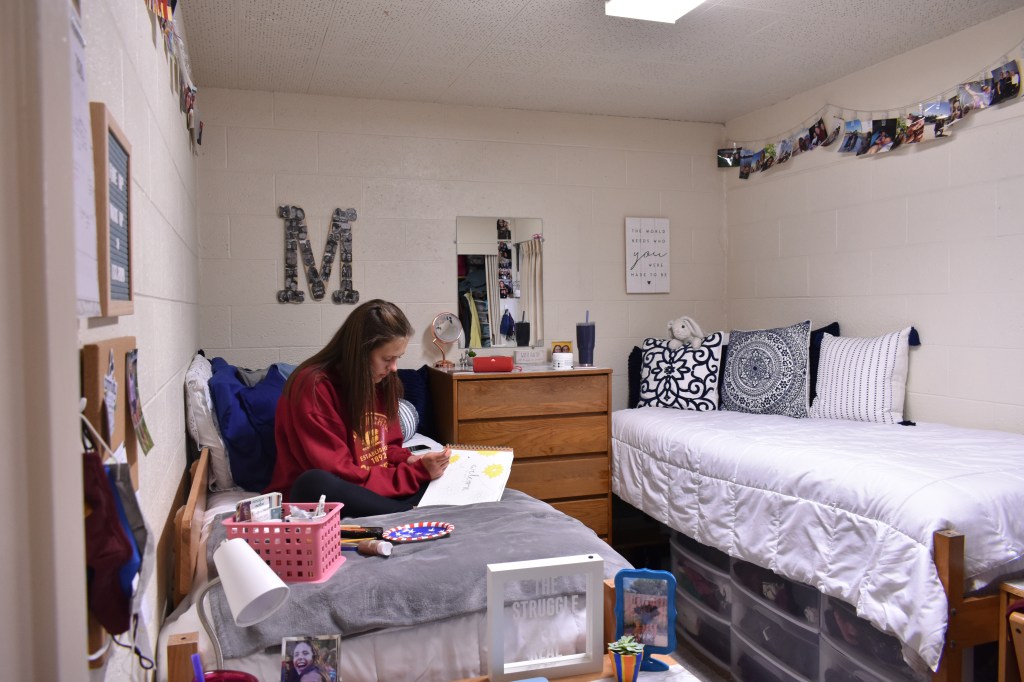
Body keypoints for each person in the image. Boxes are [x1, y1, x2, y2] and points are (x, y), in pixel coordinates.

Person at [265, 299, 450, 515]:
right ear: (360, 353)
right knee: (313, 483)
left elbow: (386, 449)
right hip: (333, 491)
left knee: (444, 478)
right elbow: (340, 473)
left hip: (372, 486)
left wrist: (410, 460)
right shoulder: (313, 387)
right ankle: (407, 513)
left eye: (397, 358)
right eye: (387, 358)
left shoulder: (382, 381)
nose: (393, 368)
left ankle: (405, 510)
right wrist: (415, 474)